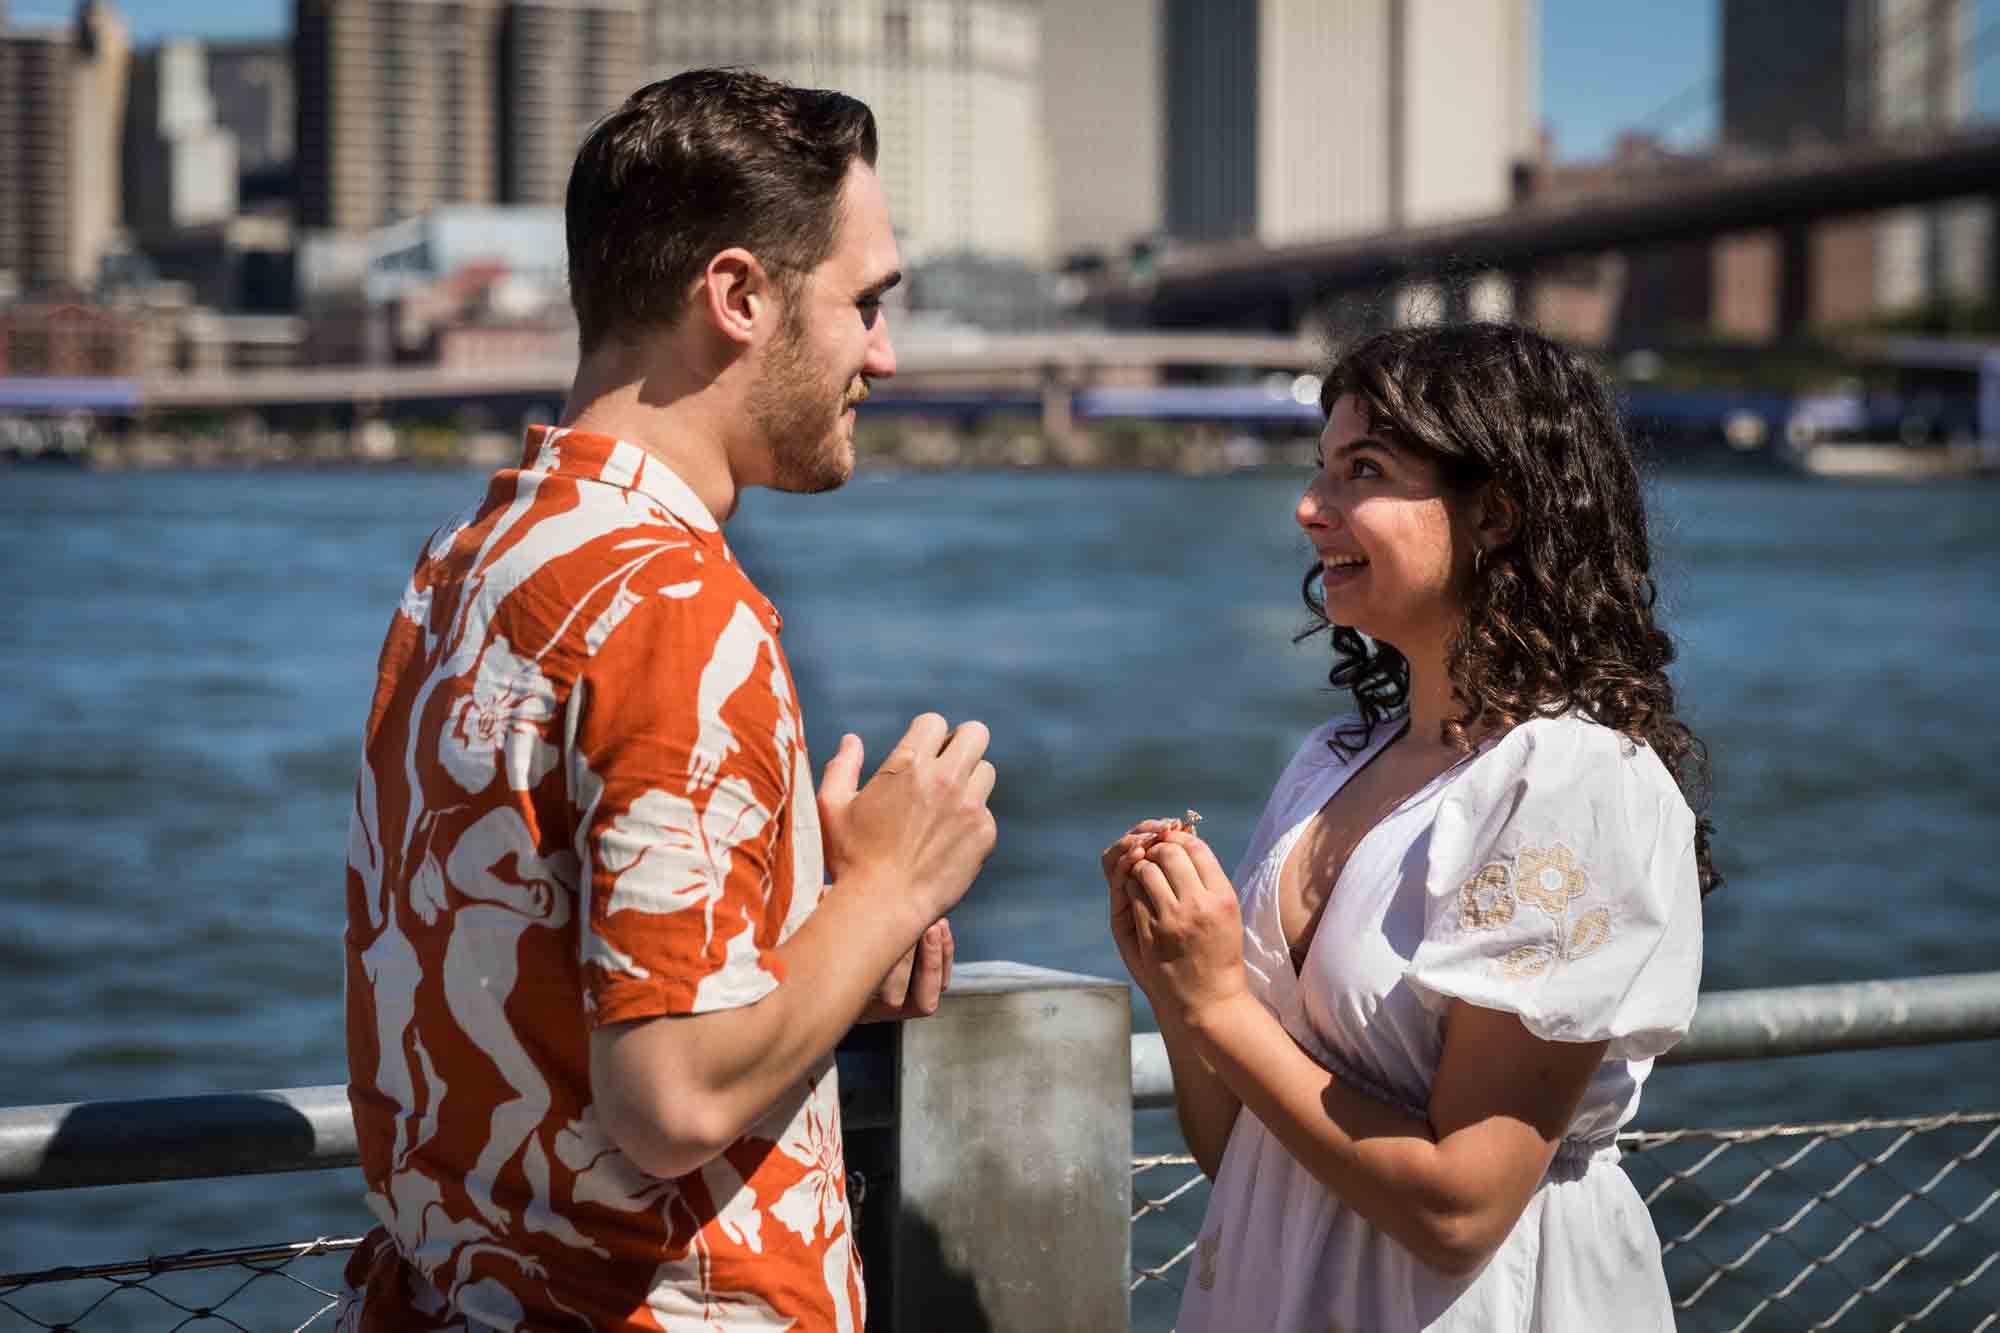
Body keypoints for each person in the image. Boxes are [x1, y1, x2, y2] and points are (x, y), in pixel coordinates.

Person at [338, 69, 997, 1332]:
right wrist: (890, 886)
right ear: (738, 295)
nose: (885, 353)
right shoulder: (672, 607)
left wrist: (817, 934)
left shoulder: (470, 562)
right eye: (863, 304)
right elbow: (672, 1095)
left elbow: (525, 968)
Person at [1104, 321, 1716, 1332]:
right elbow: (1240, 1148)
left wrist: (1217, 1003)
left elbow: (1459, 1207)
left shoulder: (1567, 779)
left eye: (1363, 471)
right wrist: (1173, 981)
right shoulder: (1327, 762)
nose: (1310, 508)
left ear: (1497, 512)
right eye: (1319, 469)